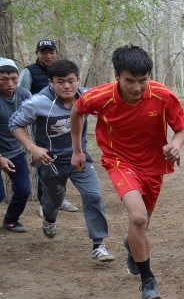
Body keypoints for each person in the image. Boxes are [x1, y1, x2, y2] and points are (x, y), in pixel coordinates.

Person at [71, 45, 184, 299]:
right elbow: (77, 111)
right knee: (138, 217)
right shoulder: (100, 96)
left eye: (143, 80)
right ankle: (148, 280)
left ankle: (130, 244)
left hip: (154, 165)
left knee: (143, 223)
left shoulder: (163, 95)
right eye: (130, 81)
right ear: (117, 76)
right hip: (119, 161)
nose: (137, 87)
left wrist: (176, 145)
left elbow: (181, 128)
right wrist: (77, 150)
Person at [9, 59, 114, 261]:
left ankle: (98, 244)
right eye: (60, 82)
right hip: (51, 161)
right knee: (54, 200)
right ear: (51, 82)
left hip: (80, 158)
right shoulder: (38, 102)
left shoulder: (88, 96)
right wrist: (33, 148)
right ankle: (49, 218)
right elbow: (15, 124)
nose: (67, 86)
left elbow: (113, 99)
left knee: (93, 196)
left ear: (78, 79)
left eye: (71, 81)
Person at [19, 40, 79, 213]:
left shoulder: (65, 71)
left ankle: (59, 198)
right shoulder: (29, 71)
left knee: (64, 160)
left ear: (56, 53)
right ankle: (43, 202)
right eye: (44, 53)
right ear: (37, 54)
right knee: (45, 160)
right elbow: (22, 95)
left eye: (51, 52)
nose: (48, 56)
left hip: (65, 122)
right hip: (40, 123)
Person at [0, 58, 31, 232]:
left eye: (13, 79)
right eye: (4, 79)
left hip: (15, 151)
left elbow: (37, 117)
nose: (10, 84)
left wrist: (36, 149)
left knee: (24, 190)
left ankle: (10, 220)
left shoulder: (24, 95)